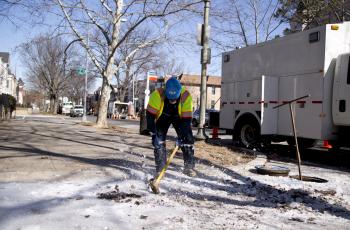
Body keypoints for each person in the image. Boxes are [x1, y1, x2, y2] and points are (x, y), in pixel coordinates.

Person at [146, 77, 196, 177]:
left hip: (180, 118)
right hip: (163, 117)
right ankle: (160, 170)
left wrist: (182, 136)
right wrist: (153, 133)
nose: (172, 100)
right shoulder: (157, 95)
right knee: (158, 141)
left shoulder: (186, 96)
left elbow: (187, 120)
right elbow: (150, 116)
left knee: (188, 139)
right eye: (170, 98)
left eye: (174, 99)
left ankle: (189, 167)